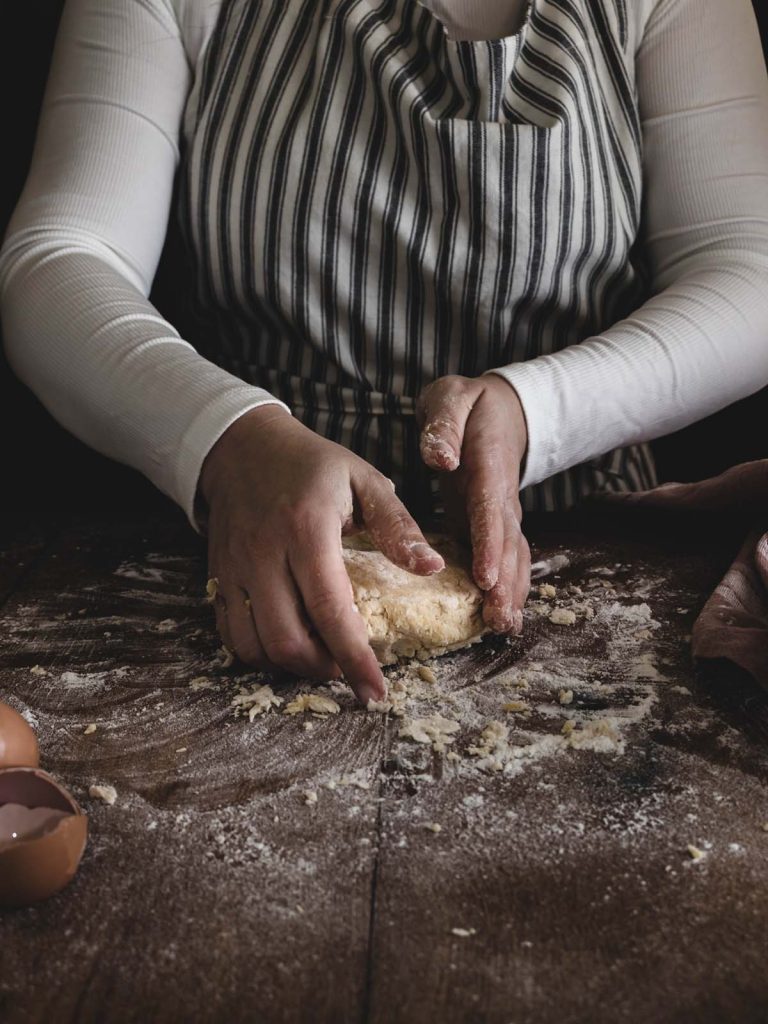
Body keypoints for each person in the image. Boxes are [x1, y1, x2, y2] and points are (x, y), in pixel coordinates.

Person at [1, 0, 767, 707]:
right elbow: (61, 258)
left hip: (601, 559)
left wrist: (539, 409)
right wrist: (228, 436)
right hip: (245, 565)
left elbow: (750, 270)